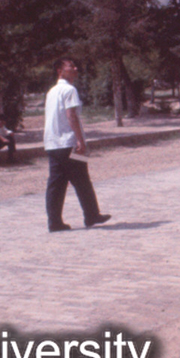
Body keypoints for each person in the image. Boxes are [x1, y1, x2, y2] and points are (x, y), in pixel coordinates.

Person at [44, 58, 110, 232]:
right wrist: (80, 140)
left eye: (75, 66)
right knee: (82, 180)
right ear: (59, 70)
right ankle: (92, 215)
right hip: (69, 141)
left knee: (56, 184)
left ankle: (54, 221)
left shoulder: (52, 91)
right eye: (70, 66)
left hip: (52, 143)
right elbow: (71, 115)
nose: (75, 68)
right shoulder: (69, 89)